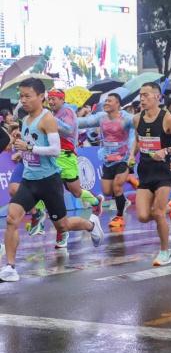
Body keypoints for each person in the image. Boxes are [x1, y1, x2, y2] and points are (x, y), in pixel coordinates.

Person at [2, 78, 103, 281]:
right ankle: (10, 267)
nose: (23, 100)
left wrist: (29, 148)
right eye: (21, 96)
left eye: (27, 96)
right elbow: (31, 143)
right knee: (12, 219)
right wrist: (21, 146)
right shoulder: (26, 119)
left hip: (49, 181)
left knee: (62, 226)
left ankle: (91, 225)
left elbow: (56, 150)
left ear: (41, 96)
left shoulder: (48, 119)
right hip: (29, 180)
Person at [131, 82, 171, 265]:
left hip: (163, 172)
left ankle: (164, 252)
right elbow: (138, 140)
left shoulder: (167, 118)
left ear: (157, 96)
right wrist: (131, 155)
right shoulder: (137, 118)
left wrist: (165, 151)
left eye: (146, 95)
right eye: (141, 95)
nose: (142, 99)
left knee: (157, 212)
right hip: (145, 171)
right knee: (142, 216)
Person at [47, 89, 102, 248]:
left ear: (62, 99)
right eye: (49, 99)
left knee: (76, 192)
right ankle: (61, 231)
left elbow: (68, 130)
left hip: (67, 156)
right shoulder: (50, 114)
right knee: (54, 193)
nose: (51, 102)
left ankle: (95, 201)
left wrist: (50, 121)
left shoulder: (67, 111)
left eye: (54, 99)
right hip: (52, 157)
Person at [76, 92, 135, 230]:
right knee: (107, 191)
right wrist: (63, 121)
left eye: (110, 101)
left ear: (118, 104)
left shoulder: (127, 119)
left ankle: (119, 216)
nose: (106, 103)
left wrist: (132, 153)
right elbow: (84, 122)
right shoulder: (101, 118)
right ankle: (123, 197)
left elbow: (134, 136)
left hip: (123, 158)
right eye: (106, 101)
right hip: (108, 159)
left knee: (117, 187)